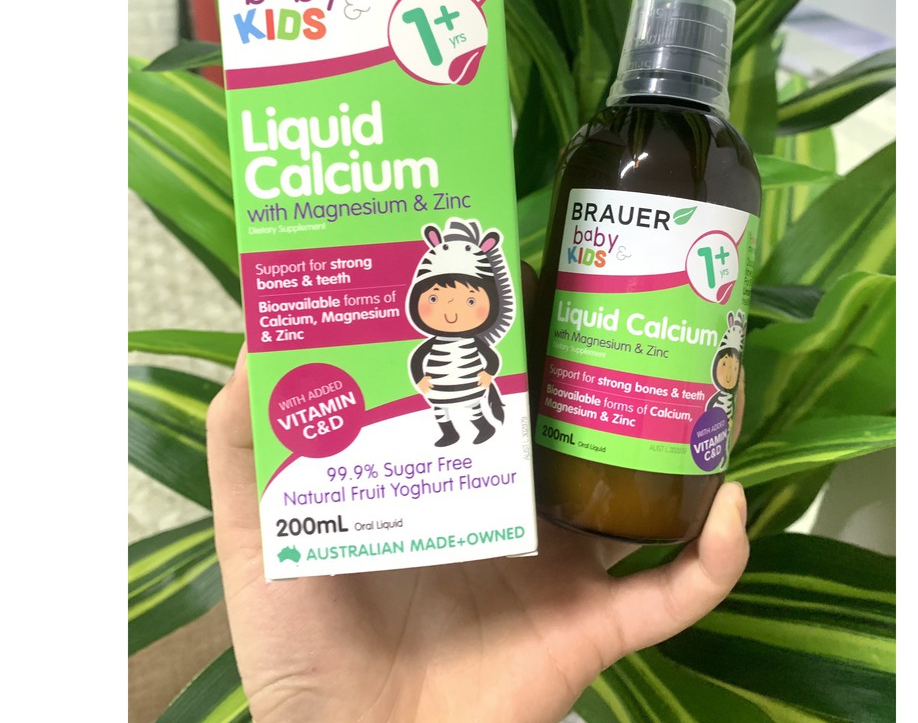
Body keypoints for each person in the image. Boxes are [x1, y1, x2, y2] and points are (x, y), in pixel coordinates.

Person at [207, 267, 750, 723]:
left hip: (490, 470)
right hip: (410, 481)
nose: (450, 309)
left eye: (466, 299)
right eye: (437, 298)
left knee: (481, 414)